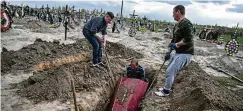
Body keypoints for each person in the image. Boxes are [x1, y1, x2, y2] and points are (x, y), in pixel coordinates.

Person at [155, 5, 194, 97]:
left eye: (173, 13)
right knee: (168, 69)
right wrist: (170, 51)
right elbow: (174, 39)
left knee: (170, 71)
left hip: (186, 53)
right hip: (178, 52)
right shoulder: (177, 25)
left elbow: (189, 39)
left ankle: (166, 91)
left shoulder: (186, 23)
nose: (172, 15)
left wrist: (176, 45)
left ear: (178, 12)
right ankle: (166, 87)